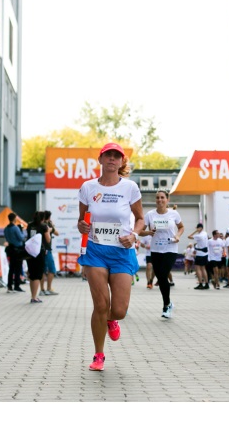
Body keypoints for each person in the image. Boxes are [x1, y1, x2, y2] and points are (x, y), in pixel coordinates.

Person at [77, 143, 144, 371]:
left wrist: (134, 235)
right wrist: (82, 226)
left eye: (117, 156)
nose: (112, 159)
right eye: (108, 155)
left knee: (119, 310)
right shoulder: (87, 187)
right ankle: (98, 355)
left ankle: (111, 320)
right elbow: (81, 220)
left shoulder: (130, 188)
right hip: (95, 251)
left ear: (121, 162)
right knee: (100, 304)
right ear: (101, 159)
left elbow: (140, 218)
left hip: (121, 252)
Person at [141, 190, 184, 317]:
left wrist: (177, 235)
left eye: (162, 197)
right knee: (161, 278)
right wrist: (149, 232)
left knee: (164, 274)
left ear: (167, 200)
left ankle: (166, 306)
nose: (159, 200)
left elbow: (181, 227)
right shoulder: (150, 214)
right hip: (155, 250)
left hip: (170, 248)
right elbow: (140, 231)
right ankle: (168, 303)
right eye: (157, 198)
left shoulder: (174, 214)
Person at [26, 211, 50, 304]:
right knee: (37, 275)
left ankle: (33, 295)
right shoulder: (44, 226)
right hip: (39, 252)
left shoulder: (29, 225)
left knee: (32, 274)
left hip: (30, 252)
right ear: (43, 218)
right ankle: (34, 297)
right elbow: (48, 239)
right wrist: (48, 231)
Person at [4, 213, 26, 293]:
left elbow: (6, 237)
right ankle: (17, 285)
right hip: (17, 250)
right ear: (14, 219)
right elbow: (21, 238)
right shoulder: (16, 228)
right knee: (18, 268)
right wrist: (22, 232)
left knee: (11, 268)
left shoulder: (6, 228)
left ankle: (9, 286)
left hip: (10, 249)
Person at [41, 210, 59, 296]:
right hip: (47, 250)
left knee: (43, 270)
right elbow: (57, 233)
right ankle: (48, 288)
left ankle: (42, 289)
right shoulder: (47, 226)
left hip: (41, 250)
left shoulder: (40, 225)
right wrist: (52, 226)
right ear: (49, 217)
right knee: (52, 269)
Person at [188, 223, 210, 289]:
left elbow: (189, 236)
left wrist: (195, 231)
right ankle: (206, 284)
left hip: (200, 254)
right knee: (203, 269)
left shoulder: (199, 235)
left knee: (198, 269)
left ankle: (200, 283)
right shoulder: (205, 233)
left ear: (199, 228)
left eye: (197, 228)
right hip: (205, 253)